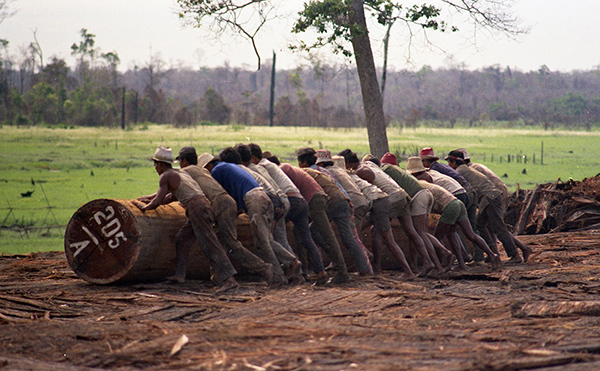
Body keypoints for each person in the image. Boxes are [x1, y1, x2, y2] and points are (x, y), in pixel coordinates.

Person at [134, 146, 238, 292]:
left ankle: (229, 279)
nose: (155, 168)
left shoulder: (166, 176)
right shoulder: (180, 173)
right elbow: (170, 197)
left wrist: (143, 207)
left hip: (197, 208)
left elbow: (158, 200)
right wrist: (147, 199)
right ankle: (180, 274)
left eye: (155, 164)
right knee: (182, 238)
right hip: (202, 206)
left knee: (209, 243)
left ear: (161, 164)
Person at [175, 146, 273, 283]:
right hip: (225, 204)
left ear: (184, 161)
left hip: (220, 205)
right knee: (217, 239)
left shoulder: (185, 172)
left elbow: (175, 190)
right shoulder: (201, 170)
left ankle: (263, 268)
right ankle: (215, 276)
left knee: (231, 244)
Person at [339, 149, 443, 277]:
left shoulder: (361, 172)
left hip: (390, 198)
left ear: (347, 163)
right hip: (401, 195)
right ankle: (428, 262)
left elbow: (370, 191)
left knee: (383, 235)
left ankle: (384, 268)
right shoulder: (369, 165)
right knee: (411, 231)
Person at [207, 147, 301, 285]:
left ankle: (278, 275)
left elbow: (219, 194)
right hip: (263, 197)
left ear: (209, 165)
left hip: (254, 200)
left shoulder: (217, 170)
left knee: (262, 242)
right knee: (267, 239)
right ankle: (291, 261)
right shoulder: (231, 168)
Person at [248, 143, 328, 285]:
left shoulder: (260, 167)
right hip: (300, 200)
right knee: (306, 238)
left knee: (278, 237)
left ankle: (293, 268)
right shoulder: (270, 165)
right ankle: (319, 271)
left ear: (253, 158)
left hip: (286, 200)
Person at [334, 155, 415, 279]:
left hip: (378, 202)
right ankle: (372, 263)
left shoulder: (344, 178)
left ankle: (407, 271)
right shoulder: (351, 175)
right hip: (378, 200)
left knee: (388, 239)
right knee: (365, 232)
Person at [297, 147, 373, 276]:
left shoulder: (307, 172)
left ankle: (336, 260)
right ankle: (364, 269)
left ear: (303, 162)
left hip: (332, 202)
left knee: (314, 230)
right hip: (344, 201)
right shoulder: (324, 171)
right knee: (348, 238)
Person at [445, 150, 531, 263]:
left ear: (454, 162)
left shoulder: (459, 172)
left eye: (449, 163)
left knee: (498, 227)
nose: (448, 166)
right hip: (490, 196)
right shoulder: (466, 169)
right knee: (480, 224)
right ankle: (494, 253)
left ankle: (515, 255)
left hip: (490, 197)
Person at [279, 160, 352, 284]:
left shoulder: (283, 169)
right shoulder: (288, 168)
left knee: (327, 235)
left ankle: (342, 271)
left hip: (314, 199)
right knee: (298, 231)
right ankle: (304, 272)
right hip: (315, 198)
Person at [379, 152, 451, 274]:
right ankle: (428, 261)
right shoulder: (396, 171)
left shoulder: (385, 171)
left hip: (418, 196)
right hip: (425, 194)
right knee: (420, 233)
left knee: (420, 233)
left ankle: (437, 261)